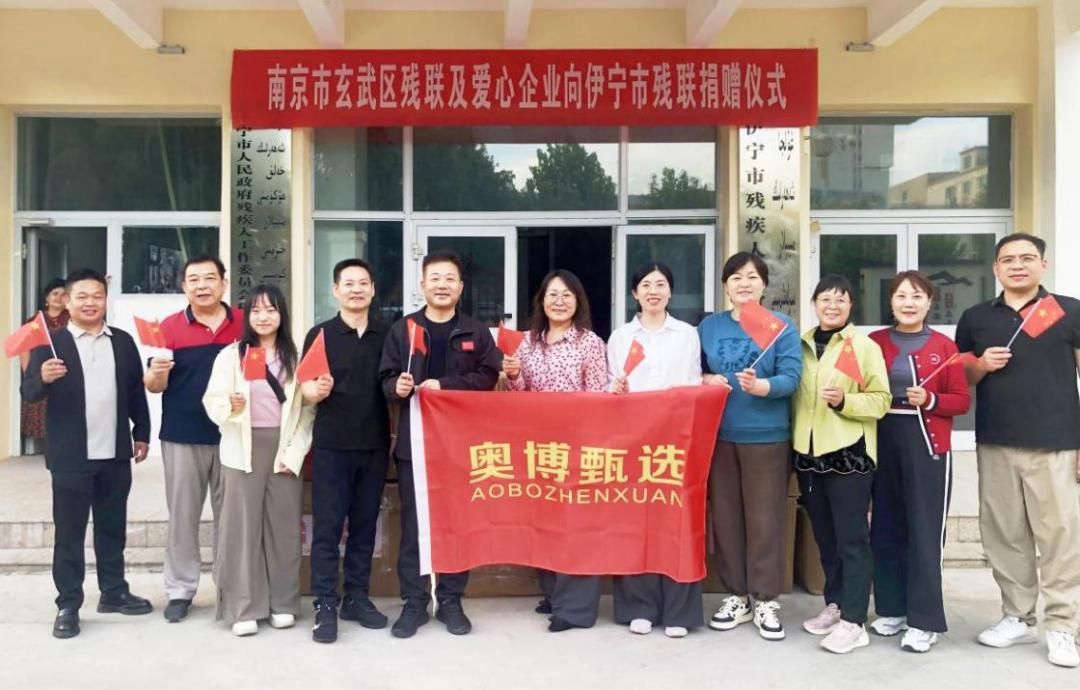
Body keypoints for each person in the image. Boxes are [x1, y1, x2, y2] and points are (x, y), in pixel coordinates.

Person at [955, 233, 1080, 668]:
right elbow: (962, 378)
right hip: (996, 441)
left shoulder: (1069, 310)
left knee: (1060, 536)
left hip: (1057, 443)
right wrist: (980, 364)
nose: (1017, 265)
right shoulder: (976, 317)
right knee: (1004, 535)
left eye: (1027, 258)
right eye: (1008, 259)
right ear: (995, 268)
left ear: (1043, 264)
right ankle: (1018, 616)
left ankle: (1063, 625)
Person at [21, 268, 153, 639]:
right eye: (82, 296)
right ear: (67, 301)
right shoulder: (51, 343)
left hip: (115, 453)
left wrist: (142, 432)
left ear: (105, 300)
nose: (90, 303)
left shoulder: (122, 342)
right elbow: (28, 392)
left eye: (97, 296)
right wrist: (43, 378)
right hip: (70, 456)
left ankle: (113, 592)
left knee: (112, 527)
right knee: (69, 533)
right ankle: (68, 604)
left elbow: (135, 392)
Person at [379, 250, 501, 638]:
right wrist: (396, 387)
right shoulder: (403, 330)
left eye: (450, 278)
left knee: (455, 523)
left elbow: (488, 377)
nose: (442, 285)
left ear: (460, 287)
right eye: (435, 278)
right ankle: (415, 602)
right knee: (415, 524)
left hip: (460, 445)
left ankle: (450, 599)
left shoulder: (476, 332)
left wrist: (445, 386)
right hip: (414, 444)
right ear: (423, 285)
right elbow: (384, 379)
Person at [697, 252, 801, 641]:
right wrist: (707, 379)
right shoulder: (709, 327)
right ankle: (737, 595)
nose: (744, 283)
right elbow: (694, 371)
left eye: (753, 277)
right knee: (725, 519)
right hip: (719, 435)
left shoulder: (780, 327)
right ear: (725, 285)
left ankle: (766, 598)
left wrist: (762, 386)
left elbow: (792, 377)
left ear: (764, 285)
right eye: (736, 277)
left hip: (766, 436)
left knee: (765, 521)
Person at [866, 271, 970, 653]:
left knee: (924, 533)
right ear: (890, 302)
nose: (908, 303)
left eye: (916, 296)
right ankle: (892, 609)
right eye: (901, 296)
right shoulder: (873, 342)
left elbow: (961, 400)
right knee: (885, 528)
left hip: (927, 445)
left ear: (929, 302)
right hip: (883, 441)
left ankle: (925, 621)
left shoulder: (945, 346)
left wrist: (931, 400)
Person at [202, 284, 314, 637]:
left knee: (284, 527)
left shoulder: (296, 357)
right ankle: (244, 607)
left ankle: (283, 603)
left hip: (283, 448)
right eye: (256, 311)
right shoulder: (231, 356)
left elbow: (307, 411)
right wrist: (230, 406)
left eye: (271, 310)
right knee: (242, 529)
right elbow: (212, 400)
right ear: (247, 316)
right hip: (242, 449)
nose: (263, 317)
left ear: (282, 314)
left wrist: (294, 452)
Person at [502, 269, 608, 632]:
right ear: (541, 301)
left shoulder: (589, 342)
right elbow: (520, 395)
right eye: (552, 295)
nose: (559, 301)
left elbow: (599, 396)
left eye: (566, 295)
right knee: (544, 521)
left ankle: (574, 609)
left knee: (576, 525)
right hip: (538, 446)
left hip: (578, 445)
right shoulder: (527, 342)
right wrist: (513, 375)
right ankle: (553, 593)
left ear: (578, 301)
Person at [793, 274, 890, 654]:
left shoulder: (863, 346)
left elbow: (881, 400)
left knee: (853, 540)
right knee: (825, 538)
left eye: (840, 300)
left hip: (849, 454)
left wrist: (844, 401)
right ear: (814, 304)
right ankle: (835, 604)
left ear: (851, 306)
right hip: (809, 456)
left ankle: (854, 620)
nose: (832, 306)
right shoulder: (801, 344)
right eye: (825, 299)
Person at [144, 256, 243, 622]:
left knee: (231, 518)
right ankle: (180, 590)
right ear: (184, 286)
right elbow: (154, 386)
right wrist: (157, 373)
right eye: (194, 280)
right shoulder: (167, 328)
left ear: (224, 283)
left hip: (233, 434)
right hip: (182, 436)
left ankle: (230, 588)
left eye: (210, 278)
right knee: (183, 517)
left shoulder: (245, 324)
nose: (202, 286)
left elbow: (258, 375)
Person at [608, 262, 703, 638]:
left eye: (660, 284)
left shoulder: (686, 334)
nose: (653, 291)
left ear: (670, 292)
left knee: (676, 522)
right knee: (635, 523)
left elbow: (693, 382)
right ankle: (639, 606)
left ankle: (679, 611)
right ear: (635, 293)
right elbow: (609, 388)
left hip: (675, 439)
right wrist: (615, 391)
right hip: (632, 440)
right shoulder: (621, 337)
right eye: (646, 285)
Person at [301, 259, 392, 644]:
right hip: (331, 446)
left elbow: (394, 385)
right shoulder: (320, 334)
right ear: (335, 290)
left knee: (365, 526)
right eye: (348, 283)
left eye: (363, 283)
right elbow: (304, 387)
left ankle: (356, 597)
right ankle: (325, 603)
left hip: (374, 445)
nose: (356, 290)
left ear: (372, 290)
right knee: (327, 528)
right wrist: (314, 391)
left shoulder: (388, 333)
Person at [21, 278, 69, 449]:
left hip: (65, 372)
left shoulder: (72, 320)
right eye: (55, 294)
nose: (59, 297)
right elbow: (24, 349)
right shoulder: (35, 322)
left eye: (63, 294)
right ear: (46, 298)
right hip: (41, 372)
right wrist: (31, 376)